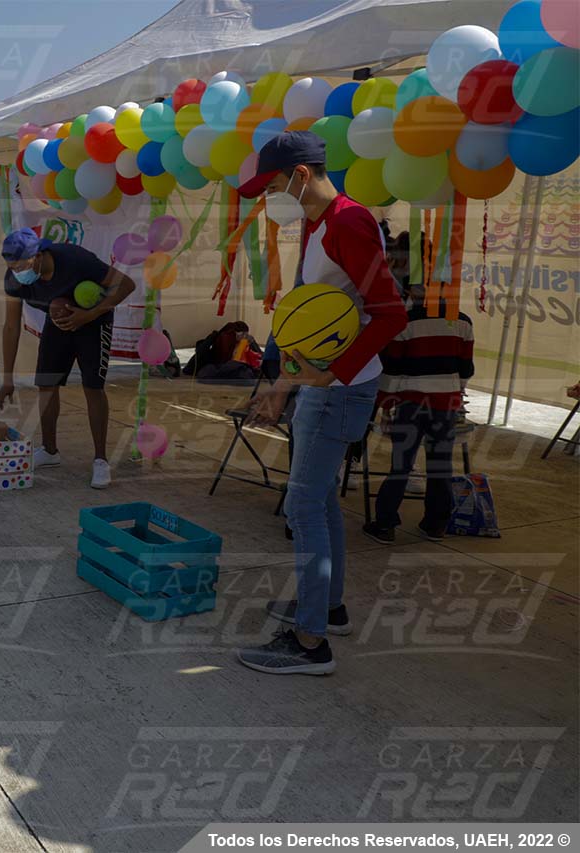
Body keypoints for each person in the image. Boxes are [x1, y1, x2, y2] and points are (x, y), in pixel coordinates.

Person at [237, 131, 407, 676]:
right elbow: (313, 318)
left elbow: (390, 314)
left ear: (300, 176)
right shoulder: (316, 223)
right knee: (324, 504)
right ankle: (328, 610)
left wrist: (330, 374)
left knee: (302, 507)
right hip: (322, 387)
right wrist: (283, 382)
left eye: (271, 185)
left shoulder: (350, 223)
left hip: (338, 391)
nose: (268, 197)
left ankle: (310, 643)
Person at [0, 227, 136, 489]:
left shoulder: (74, 259)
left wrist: (90, 314)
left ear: (37, 256)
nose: (17, 272)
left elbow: (127, 284)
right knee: (46, 384)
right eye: (11, 267)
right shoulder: (15, 280)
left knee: (93, 388)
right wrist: (7, 378)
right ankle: (49, 451)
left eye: (21, 266)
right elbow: (11, 326)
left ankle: (100, 460)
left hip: (94, 321)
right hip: (58, 322)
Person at [365, 270, 474, 544]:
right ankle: (436, 524)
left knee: (401, 465)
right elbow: (465, 368)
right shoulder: (463, 322)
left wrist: (385, 403)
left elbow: (393, 369)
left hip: (411, 402)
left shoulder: (406, 322)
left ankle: (386, 524)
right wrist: (456, 394)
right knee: (440, 465)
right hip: (446, 403)